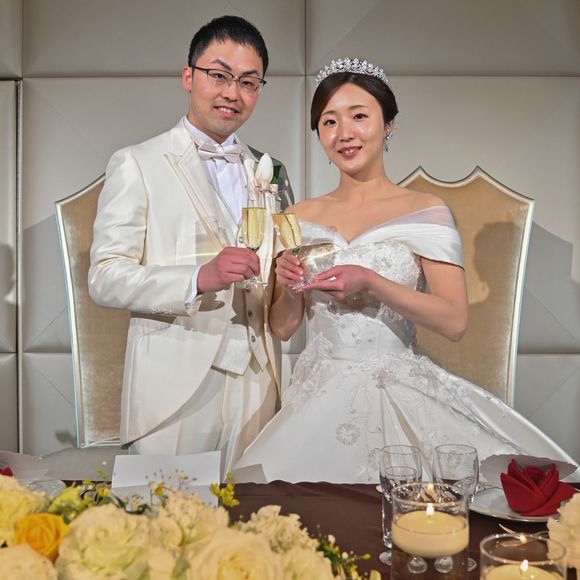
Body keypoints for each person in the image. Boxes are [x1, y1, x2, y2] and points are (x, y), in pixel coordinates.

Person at [234, 58, 579, 483]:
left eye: (359, 116)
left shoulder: (425, 211)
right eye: (329, 122)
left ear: (388, 124)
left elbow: (453, 321)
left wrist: (372, 282)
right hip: (315, 395)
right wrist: (289, 287)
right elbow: (283, 327)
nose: (344, 133)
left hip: (397, 389)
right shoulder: (297, 217)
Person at [88, 15, 293, 473]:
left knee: (254, 515)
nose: (232, 92)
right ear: (189, 76)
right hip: (172, 387)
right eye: (219, 75)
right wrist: (199, 277)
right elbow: (104, 277)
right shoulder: (137, 163)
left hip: (259, 382)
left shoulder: (271, 171)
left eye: (248, 82)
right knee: (165, 514)